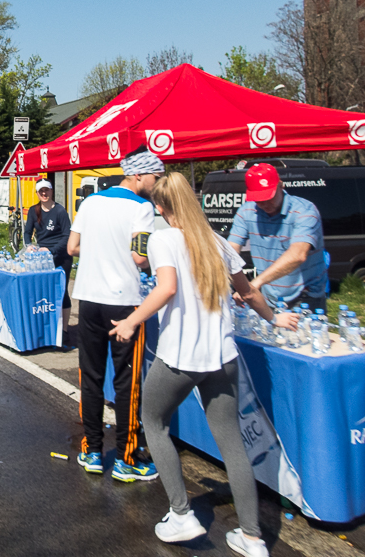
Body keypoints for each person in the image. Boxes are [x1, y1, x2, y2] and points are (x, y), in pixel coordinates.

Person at [110, 172, 297, 556]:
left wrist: (131, 320)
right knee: (232, 446)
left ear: (160, 207)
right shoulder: (218, 243)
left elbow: (166, 288)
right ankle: (252, 538)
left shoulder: (163, 239)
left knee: (154, 422)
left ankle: (181, 515)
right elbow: (248, 292)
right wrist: (275, 318)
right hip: (223, 358)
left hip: (181, 357)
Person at [67, 145, 163, 482]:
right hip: (124, 301)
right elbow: (140, 259)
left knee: (90, 377)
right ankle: (127, 457)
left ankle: (92, 450)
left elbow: (72, 247)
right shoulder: (143, 208)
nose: (157, 181)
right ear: (138, 174)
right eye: (155, 175)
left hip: (89, 298)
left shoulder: (91, 201)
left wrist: (101, 248)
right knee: (127, 382)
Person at [228, 163, 327, 310]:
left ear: (281, 185)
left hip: (306, 297)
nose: (264, 203)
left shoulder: (305, 211)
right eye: (258, 199)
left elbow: (298, 254)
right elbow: (230, 251)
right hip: (270, 298)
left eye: (269, 197)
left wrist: (255, 283)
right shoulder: (246, 212)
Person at [24, 179, 74, 345]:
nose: (44, 194)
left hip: (61, 256)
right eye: (41, 191)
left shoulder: (60, 211)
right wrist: (29, 246)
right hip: (42, 258)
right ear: (37, 193)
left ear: (52, 191)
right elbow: (27, 232)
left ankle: (64, 330)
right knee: (43, 292)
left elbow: (67, 236)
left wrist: (51, 250)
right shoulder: (33, 210)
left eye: (47, 190)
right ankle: (47, 326)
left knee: (62, 291)